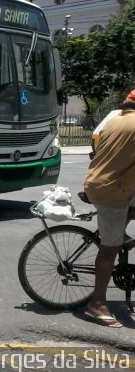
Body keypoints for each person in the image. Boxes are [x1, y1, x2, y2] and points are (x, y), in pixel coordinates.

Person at [83, 89, 135, 328]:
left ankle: (121, 232)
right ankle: (97, 303)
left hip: (101, 182)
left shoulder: (114, 121)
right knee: (109, 249)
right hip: (111, 191)